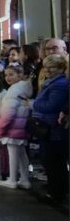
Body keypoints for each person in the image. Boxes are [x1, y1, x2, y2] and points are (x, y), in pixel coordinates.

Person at [31, 54, 69, 202]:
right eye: (45, 67)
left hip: (54, 128)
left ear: (61, 68)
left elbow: (52, 106)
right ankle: (55, 189)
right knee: (51, 161)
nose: (47, 70)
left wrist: (33, 104)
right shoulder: (51, 82)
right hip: (49, 127)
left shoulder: (59, 85)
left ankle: (56, 193)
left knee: (54, 162)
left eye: (51, 67)